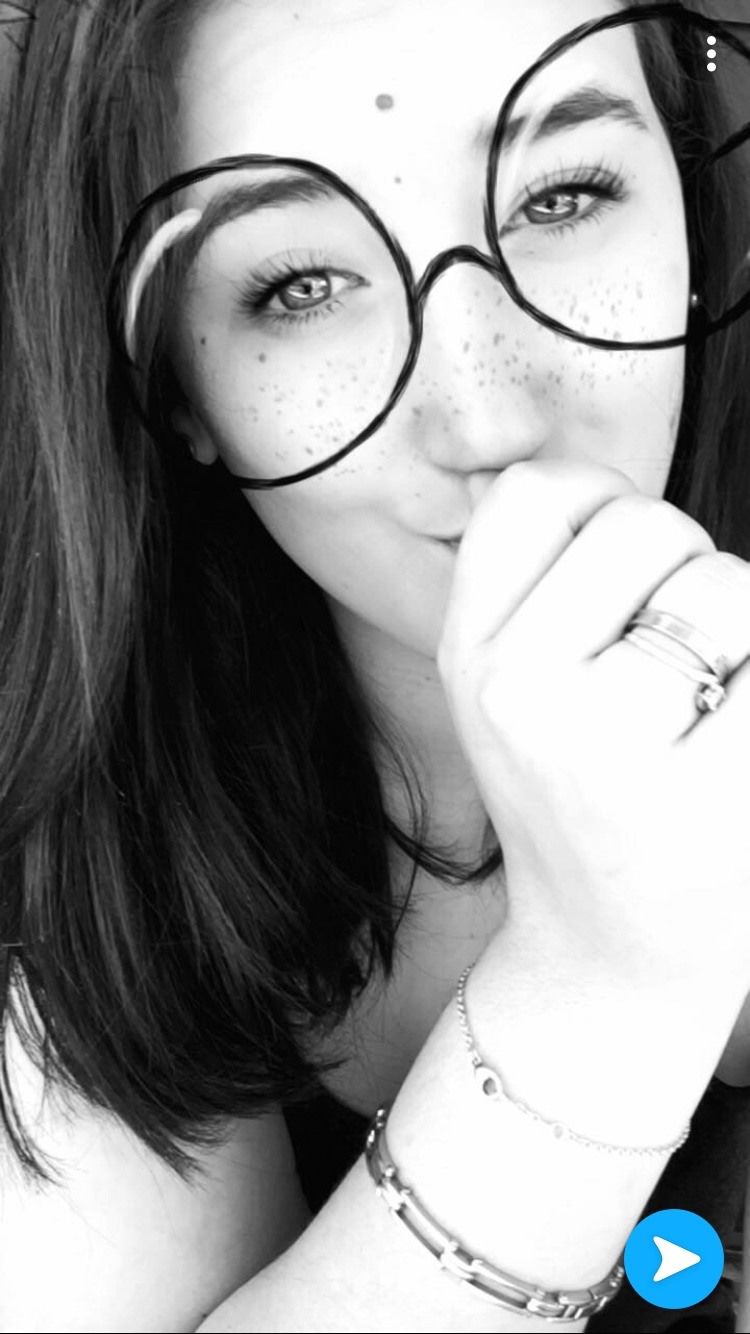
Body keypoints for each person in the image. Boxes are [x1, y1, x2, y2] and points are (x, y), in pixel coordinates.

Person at [2, 0, 750, 1329]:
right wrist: (599, 990)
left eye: (563, 197)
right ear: (173, 384)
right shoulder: (72, 889)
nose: (487, 413)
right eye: (301, 286)